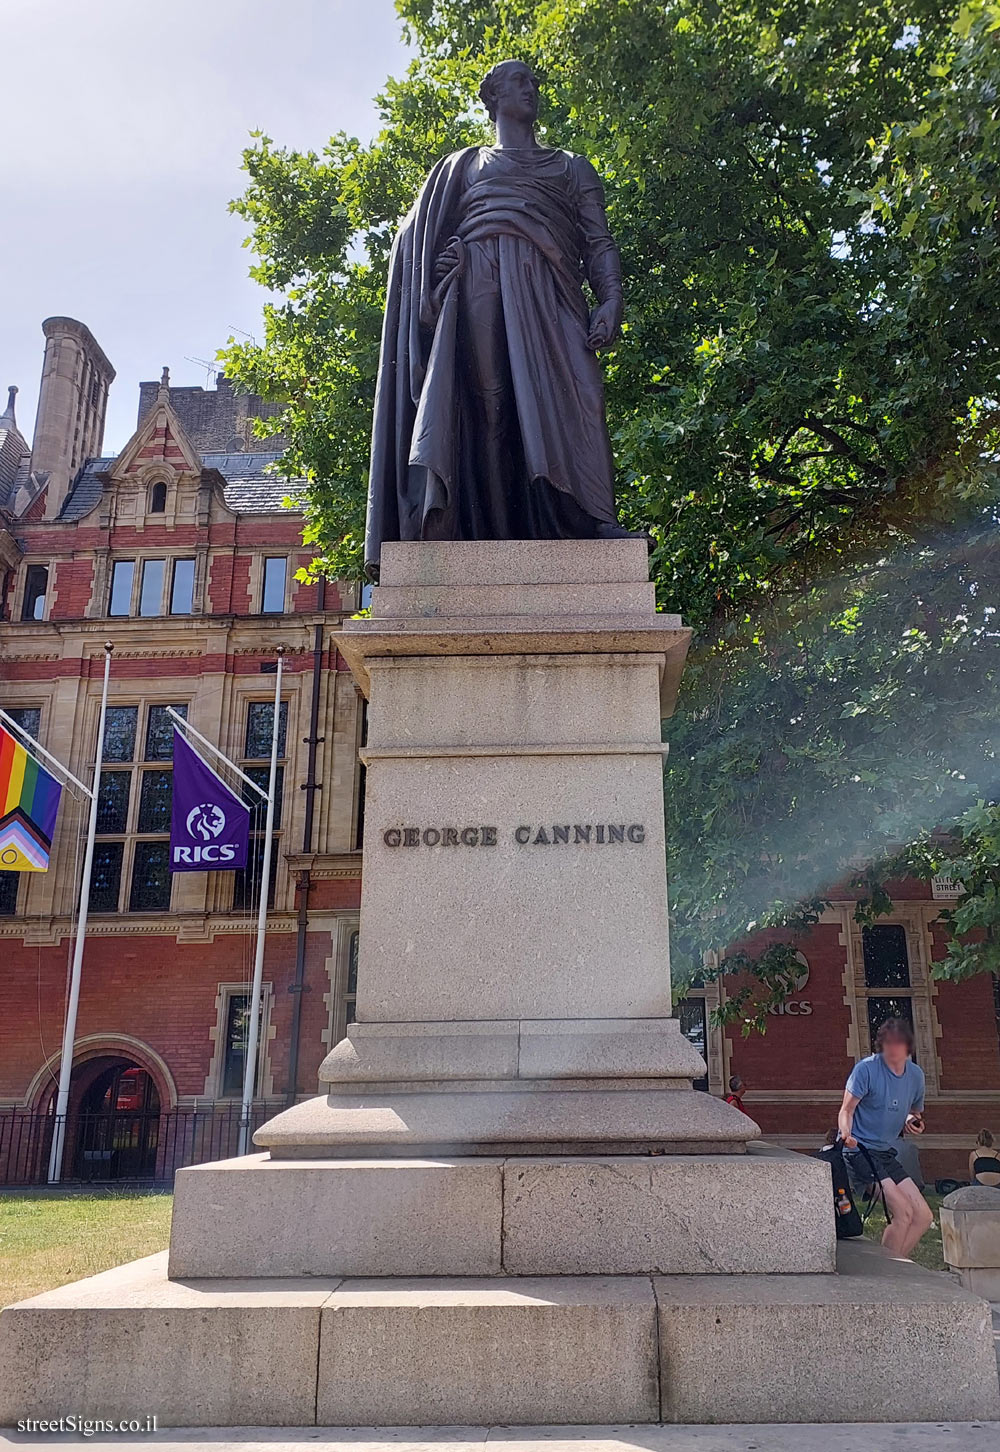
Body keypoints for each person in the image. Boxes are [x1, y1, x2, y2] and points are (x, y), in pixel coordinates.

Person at [365, 59, 633, 577]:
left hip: (554, 294)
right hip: (480, 287)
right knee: (489, 406)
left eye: (534, 82)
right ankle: (491, 524)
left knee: (581, 395)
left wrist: (611, 298)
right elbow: (415, 241)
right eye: (520, 82)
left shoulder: (573, 167)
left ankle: (592, 517)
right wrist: (436, 265)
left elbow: (599, 243)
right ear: (492, 97)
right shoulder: (463, 167)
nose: (531, 89)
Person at [837, 1018, 934, 1257]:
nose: (893, 1049)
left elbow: (912, 1111)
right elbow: (846, 1110)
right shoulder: (866, 1069)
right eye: (888, 1044)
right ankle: (891, 1272)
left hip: (885, 1152)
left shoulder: (915, 1076)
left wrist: (912, 1121)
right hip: (859, 1150)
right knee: (903, 1212)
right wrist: (846, 1133)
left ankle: (894, 1266)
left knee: (923, 1216)